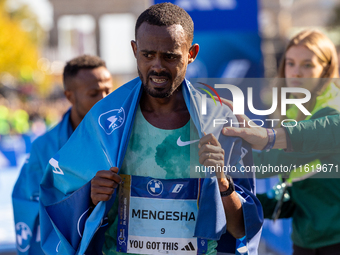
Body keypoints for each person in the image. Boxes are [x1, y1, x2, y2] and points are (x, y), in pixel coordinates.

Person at [39, 3, 263, 255]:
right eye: (147, 55)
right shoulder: (105, 120)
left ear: (191, 53)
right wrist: (89, 197)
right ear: (134, 50)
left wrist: (222, 182)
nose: (157, 66)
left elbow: (242, 230)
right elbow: (56, 195)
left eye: (170, 56)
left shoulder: (223, 120)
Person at [225, 30, 340, 254]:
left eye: (308, 64)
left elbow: (273, 161)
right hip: (307, 239)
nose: (296, 72)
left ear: (326, 70)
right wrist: (232, 200)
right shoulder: (297, 109)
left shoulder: (331, 109)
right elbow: (297, 194)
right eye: (291, 63)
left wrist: (219, 167)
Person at [11, 55, 113, 255]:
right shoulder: (44, 147)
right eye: (94, 93)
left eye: (108, 90)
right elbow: (29, 208)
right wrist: (84, 198)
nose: (104, 99)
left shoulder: (126, 136)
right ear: (69, 96)